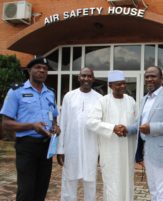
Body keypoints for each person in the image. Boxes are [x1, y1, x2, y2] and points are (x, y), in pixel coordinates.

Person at [0, 56, 60, 201]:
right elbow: (6, 123)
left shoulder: (50, 93)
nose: (42, 71)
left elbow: (54, 118)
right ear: (29, 71)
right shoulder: (16, 91)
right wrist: (32, 126)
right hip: (27, 146)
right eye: (38, 67)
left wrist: (56, 128)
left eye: (45, 69)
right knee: (26, 190)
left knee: (41, 189)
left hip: (46, 147)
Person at [127, 66, 163, 201]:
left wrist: (153, 128)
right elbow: (139, 124)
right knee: (153, 191)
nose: (149, 79)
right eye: (147, 76)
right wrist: (126, 129)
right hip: (148, 152)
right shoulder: (144, 99)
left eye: (153, 76)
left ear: (161, 79)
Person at [86, 70, 136, 201]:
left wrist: (127, 129)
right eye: (118, 84)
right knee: (112, 184)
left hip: (127, 150)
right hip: (110, 152)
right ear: (110, 86)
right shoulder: (102, 102)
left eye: (124, 84)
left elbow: (137, 122)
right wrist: (112, 128)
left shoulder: (131, 101)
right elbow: (91, 122)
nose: (122, 87)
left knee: (127, 181)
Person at [56, 67, 102, 201]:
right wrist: (60, 149)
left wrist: (101, 151)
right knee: (69, 180)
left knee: (90, 181)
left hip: (91, 146)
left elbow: (100, 125)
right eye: (83, 76)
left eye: (89, 76)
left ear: (93, 79)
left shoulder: (99, 98)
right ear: (78, 78)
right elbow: (62, 123)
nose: (86, 79)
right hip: (71, 146)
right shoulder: (69, 97)